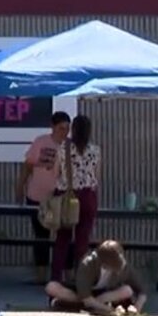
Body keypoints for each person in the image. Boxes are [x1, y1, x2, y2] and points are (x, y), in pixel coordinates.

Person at [18, 111, 69, 283]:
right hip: (38, 195)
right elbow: (28, 165)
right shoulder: (41, 142)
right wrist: (20, 187)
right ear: (53, 127)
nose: (64, 132)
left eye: (67, 129)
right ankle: (40, 274)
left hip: (60, 197)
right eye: (61, 128)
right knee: (41, 235)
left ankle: (65, 273)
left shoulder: (70, 146)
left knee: (64, 234)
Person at [51, 115, 101, 283]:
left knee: (62, 240)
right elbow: (96, 176)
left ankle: (56, 280)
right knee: (83, 241)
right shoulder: (95, 150)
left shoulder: (63, 149)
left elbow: (56, 172)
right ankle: (82, 281)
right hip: (88, 196)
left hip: (67, 196)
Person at [46, 239, 147, 316]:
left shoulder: (124, 266)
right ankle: (89, 307)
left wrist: (137, 307)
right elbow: (85, 296)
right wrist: (109, 310)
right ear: (105, 264)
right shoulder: (88, 263)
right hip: (81, 293)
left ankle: (73, 305)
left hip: (105, 294)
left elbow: (141, 291)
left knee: (127, 290)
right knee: (51, 287)